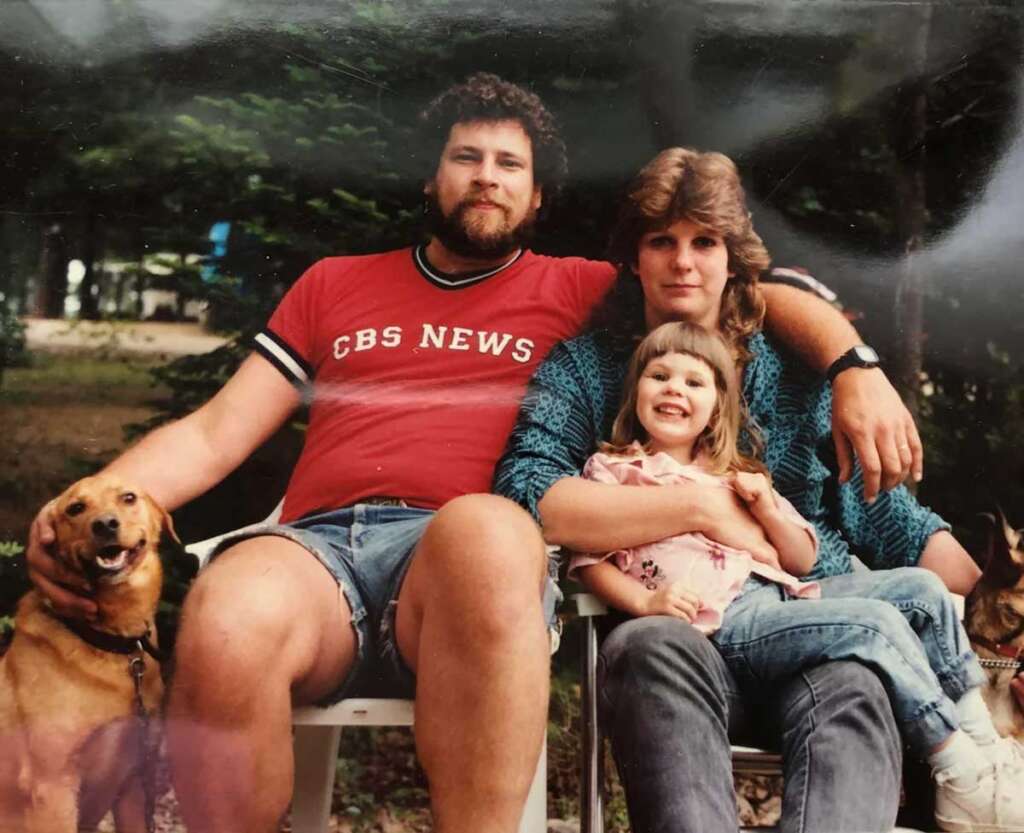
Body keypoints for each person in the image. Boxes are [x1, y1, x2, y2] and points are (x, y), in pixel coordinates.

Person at [26, 77, 923, 833]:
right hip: (318, 548)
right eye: (468, 157)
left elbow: (753, 284)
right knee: (224, 608)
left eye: (509, 164)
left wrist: (855, 366)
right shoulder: (334, 283)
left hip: (460, 555)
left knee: (492, 530)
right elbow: (215, 432)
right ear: (434, 178)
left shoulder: (576, 288)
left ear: (536, 199)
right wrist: (80, 502)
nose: (486, 177)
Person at [493, 146, 984, 833]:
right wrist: (703, 504)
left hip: (807, 631)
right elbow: (526, 492)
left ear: (733, 258)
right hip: (681, 635)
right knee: (647, 646)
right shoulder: (584, 369)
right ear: (635, 257)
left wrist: (996, 605)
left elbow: (884, 513)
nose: (684, 262)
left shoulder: (789, 372)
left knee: (858, 677)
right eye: (661, 241)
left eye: (705, 242)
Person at [571, 320, 1023, 832]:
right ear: (636, 393)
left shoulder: (737, 472)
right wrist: (645, 602)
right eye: (660, 376)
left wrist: (766, 508)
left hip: (783, 600)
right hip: (721, 624)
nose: (674, 389)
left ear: (718, 406)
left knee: (922, 592)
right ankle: (959, 769)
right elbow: (589, 563)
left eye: (694, 382)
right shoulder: (614, 472)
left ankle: (986, 750)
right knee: (873, 626)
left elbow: (800, 555)